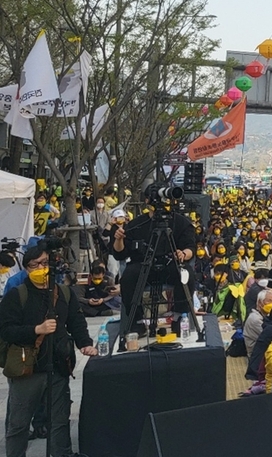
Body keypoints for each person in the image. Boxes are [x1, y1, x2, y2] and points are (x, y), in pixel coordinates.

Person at [0, 243, 97, 457]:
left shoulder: (64, 292)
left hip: (58, 366)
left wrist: (85, 344)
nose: (40, 269)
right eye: (34, 265)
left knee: (59, 420)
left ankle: (61, 453)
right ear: (26, 269)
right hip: (27, 368)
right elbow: (6, 330)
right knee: (19, 423)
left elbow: (76, 321)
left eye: (44, 263)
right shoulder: (17, 295)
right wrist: (36, 330)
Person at [110, 184, 197, 338]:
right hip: (144, 266)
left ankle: (179, 317)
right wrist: (118, 240)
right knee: (128, 277)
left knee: (186, 274)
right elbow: (120, 254)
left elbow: (191, 247)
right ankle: (136, 321)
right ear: (148, 200)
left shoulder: (181, 222)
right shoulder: (137, 224)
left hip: (170, 265)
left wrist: (183, 254)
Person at [245, 289, 272, 356]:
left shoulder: (266, 315)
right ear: (259, 303)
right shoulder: (255, 318)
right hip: (256, 354)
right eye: (269, 301)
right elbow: (270, 336)